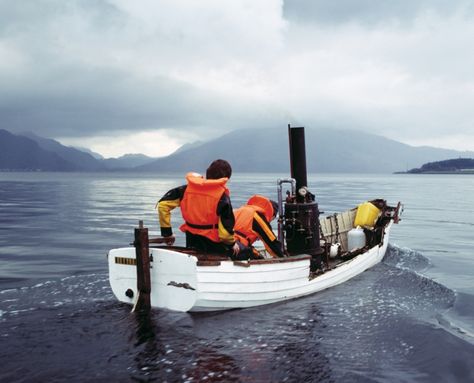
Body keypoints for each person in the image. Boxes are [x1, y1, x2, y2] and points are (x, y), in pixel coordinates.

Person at [156, 159, 240, 257]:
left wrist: (167, 234)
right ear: (227, 178)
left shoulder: (186, 190)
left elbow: (163, 205)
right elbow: (225, 235)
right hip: (213, 245)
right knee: (242, 250)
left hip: (192, 240)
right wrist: (232, 244)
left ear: (208, 173)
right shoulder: (222, 196)